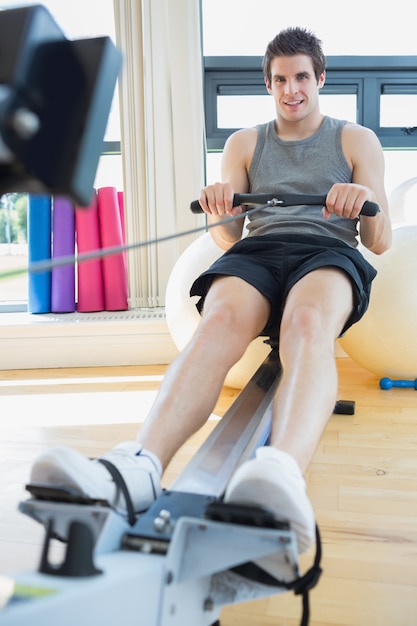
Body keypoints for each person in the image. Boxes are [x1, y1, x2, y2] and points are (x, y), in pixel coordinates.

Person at [31, 27, 392, 567]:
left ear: (320, 78)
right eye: (279, 80)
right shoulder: (245, 143)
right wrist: (222, 206)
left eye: (300, 77)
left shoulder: (355, 140)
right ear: (268, 85)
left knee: (307, 323)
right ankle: (138, 466)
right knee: (217, 322)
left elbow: (380, 241)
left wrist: (363, 200)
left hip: (325, 252)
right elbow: (228, 237)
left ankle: (279, 474)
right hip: (260, 251)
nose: (290, 89)